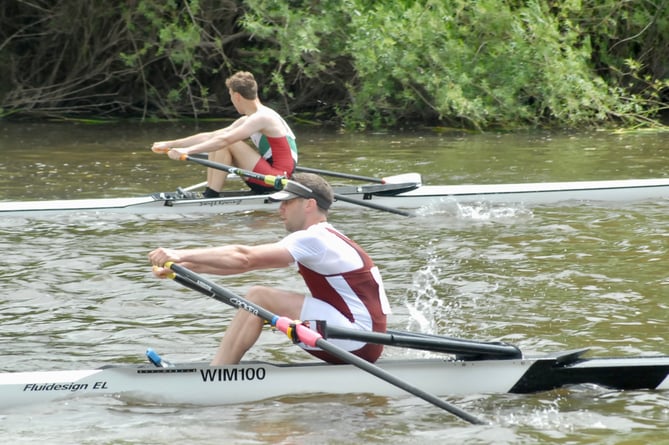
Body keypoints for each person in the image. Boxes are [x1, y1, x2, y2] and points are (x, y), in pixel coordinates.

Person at [148, 173, 392, 365]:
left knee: (259, 297)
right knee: (258, 297)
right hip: (360, 339)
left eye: (287, 202)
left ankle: (218, 374)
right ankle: (220, 369)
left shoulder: (313, 239)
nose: (280, 209)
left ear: (308, 204)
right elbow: (240, 266)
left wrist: (180, 254)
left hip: (357, 339)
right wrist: (181, 268)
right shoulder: (324, 238)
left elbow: (245, 258)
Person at [151, 71, 298, 198]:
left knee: (227, 142)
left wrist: (187, 151)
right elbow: (211, 136)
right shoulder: (250, 119)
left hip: (276, 179)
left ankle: (210, 195)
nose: (232, 101)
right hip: (269, 175)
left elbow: (225, 140)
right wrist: (170, 144)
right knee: (219, 140)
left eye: (231, 96)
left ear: (237, 96)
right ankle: (209, 193)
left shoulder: (262, 117)